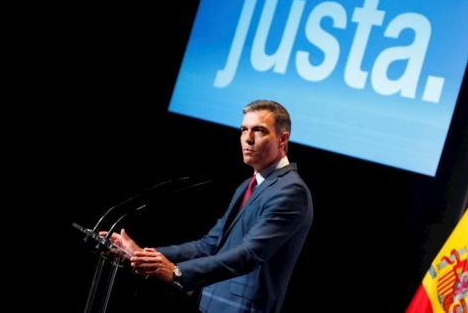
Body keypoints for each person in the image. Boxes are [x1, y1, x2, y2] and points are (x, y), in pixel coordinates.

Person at [103, 99, 313, 313]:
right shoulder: (247, 186)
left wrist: (176, 272)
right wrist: (143, 254)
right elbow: (208, 246)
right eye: (243, 130)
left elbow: (248, 255)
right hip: (208, 304)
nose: (247, 139)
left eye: (259, 131)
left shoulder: (291, 191)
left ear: (282, 139)